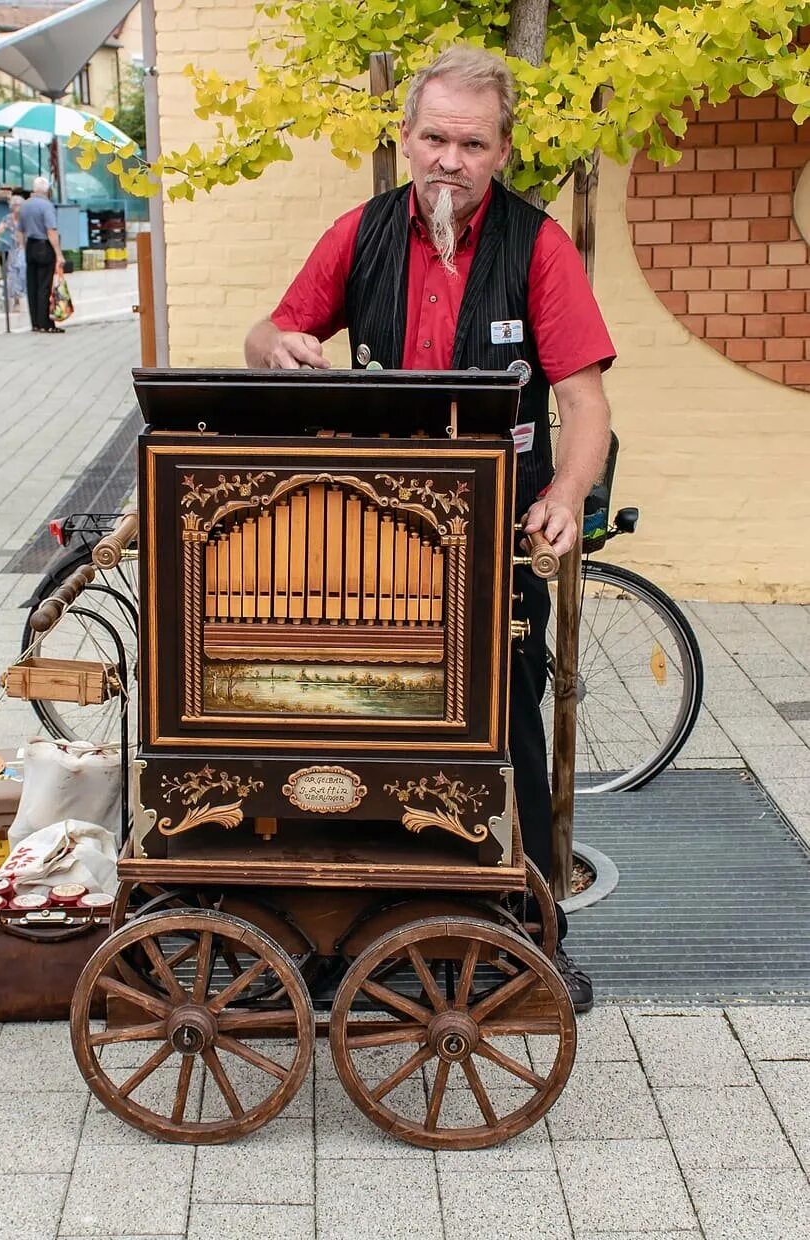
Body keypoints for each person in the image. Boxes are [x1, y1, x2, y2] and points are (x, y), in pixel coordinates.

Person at [245, 46, 614, 1013]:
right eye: (435, 138)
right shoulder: (358, 232)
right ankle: (346, 929)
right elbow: (271, 331)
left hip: (499, 537)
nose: (450, 159)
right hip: (371, 538)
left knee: (507, 738)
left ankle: (535, 934)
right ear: (406, 139)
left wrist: (568, 495)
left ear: (500, 151)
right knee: (360, 720)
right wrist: (277, 346)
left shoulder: (539, 247)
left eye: (472, 143)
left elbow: (585, 403)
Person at [18, 176, 65, 333]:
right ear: (47, 190)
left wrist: (23, 248)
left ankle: (35, 323)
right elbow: (51, 230)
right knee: (44, 285)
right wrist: (58, 254)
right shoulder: (47, 206)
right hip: (44, 246)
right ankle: (46, 323)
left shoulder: (24, 205)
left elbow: (20, 230)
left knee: (32, 285)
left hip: (30, 245)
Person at [0, 194, 27, 311]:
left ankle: (19, 298)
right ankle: (13, 300)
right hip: (13, 249)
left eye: (20, 205)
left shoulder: (26, 218)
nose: (17, 207)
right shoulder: (8, 218)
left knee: (21, 273)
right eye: (15, 205)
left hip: (25, 249)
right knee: (11, 275)